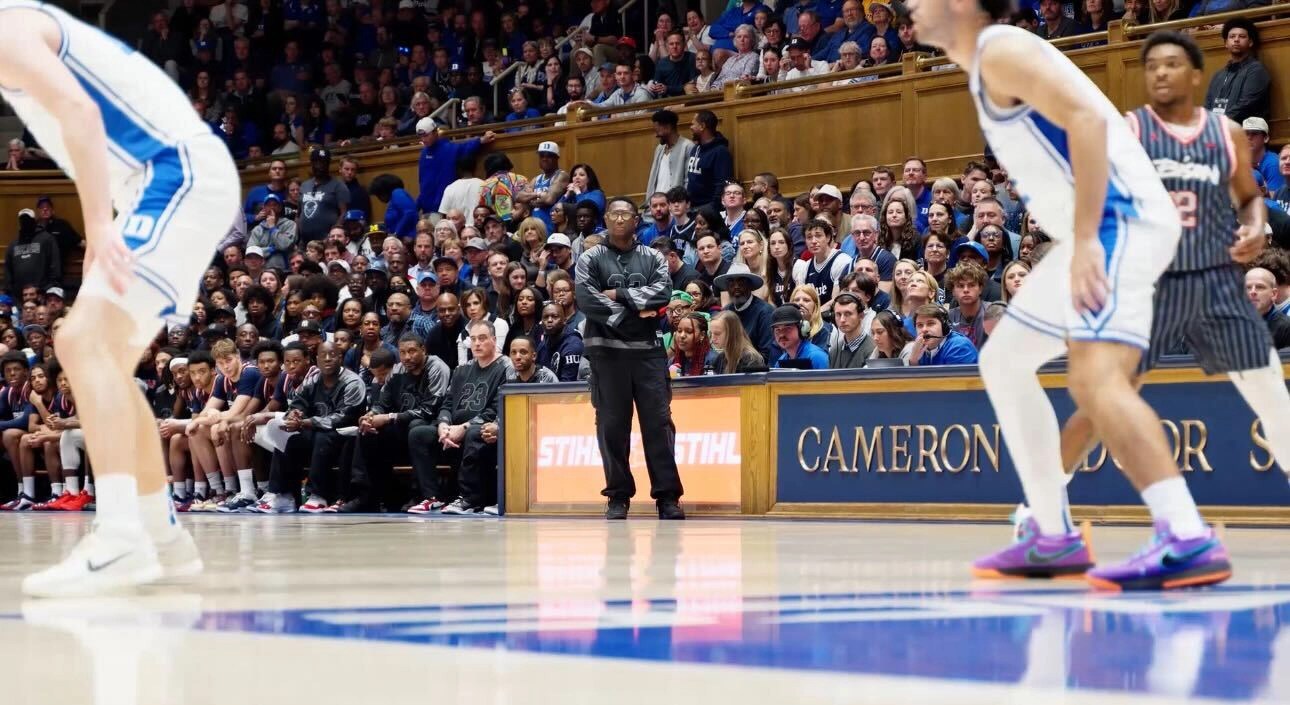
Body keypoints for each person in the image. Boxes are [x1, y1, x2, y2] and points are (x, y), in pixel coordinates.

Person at [910, 0, 1229, 590]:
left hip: (1117, 222)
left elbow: (1088, 121)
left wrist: (1084, 242)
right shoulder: (986, 64)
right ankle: (1051, 532)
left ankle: (1186, 535)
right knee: (1004, 362)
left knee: (1094, 380)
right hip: (1106, 226)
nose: (909, 4)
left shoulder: (1000, 49)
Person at [3, 3, 240, 598]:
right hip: (166, 177)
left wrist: (101, 226)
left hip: (172, 175)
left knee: (79, 341)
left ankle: (119, 539)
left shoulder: (5, 25)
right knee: (99, 355)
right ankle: (161, 535)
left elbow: (81, 112)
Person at [574, 196, 684, 521]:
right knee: (611, 428)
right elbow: (585, 297)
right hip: (606, 355)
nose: (620, 219)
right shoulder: (590, 257)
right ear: (606, 219)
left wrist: (619, 295)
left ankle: (668, 497)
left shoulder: (652, 257)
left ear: (637, 220)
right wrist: (632, 314)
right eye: (615, 214)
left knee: (659, 426)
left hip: (648, 355)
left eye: (627, 214)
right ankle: (618, 497)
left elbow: (663, 293)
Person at [437, 320, 511, 516]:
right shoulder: (462, 370)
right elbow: (447, 403)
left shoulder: (505, 367)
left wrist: (464, 427)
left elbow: (496, 408)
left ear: (494, 340)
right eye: (473, 339)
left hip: (487, 427)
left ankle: (470, 499)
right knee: (419, 433)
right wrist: (443, 425)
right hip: (456, 427)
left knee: (474, 434)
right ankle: (432, 497)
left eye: (483, 338)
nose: (477, 343)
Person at [908, 304, 978, 366]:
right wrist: (914, 360)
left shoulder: (958, 347)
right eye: (920, 325)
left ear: (944, 327)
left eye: (930, 323)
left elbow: (953, 381)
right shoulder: (921, 349)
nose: (924, 329)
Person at [769, 304, 828, 370]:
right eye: (777, 330)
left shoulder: (816, 357)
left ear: (802, 329)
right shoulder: (781, 360)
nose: (781, 334)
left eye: (788, 328)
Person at [828, 292, 874, 368]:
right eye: (838, 314)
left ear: (861, 315)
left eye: (848, 314)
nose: (842, 320)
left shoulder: (872, 351)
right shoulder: (834, 350)